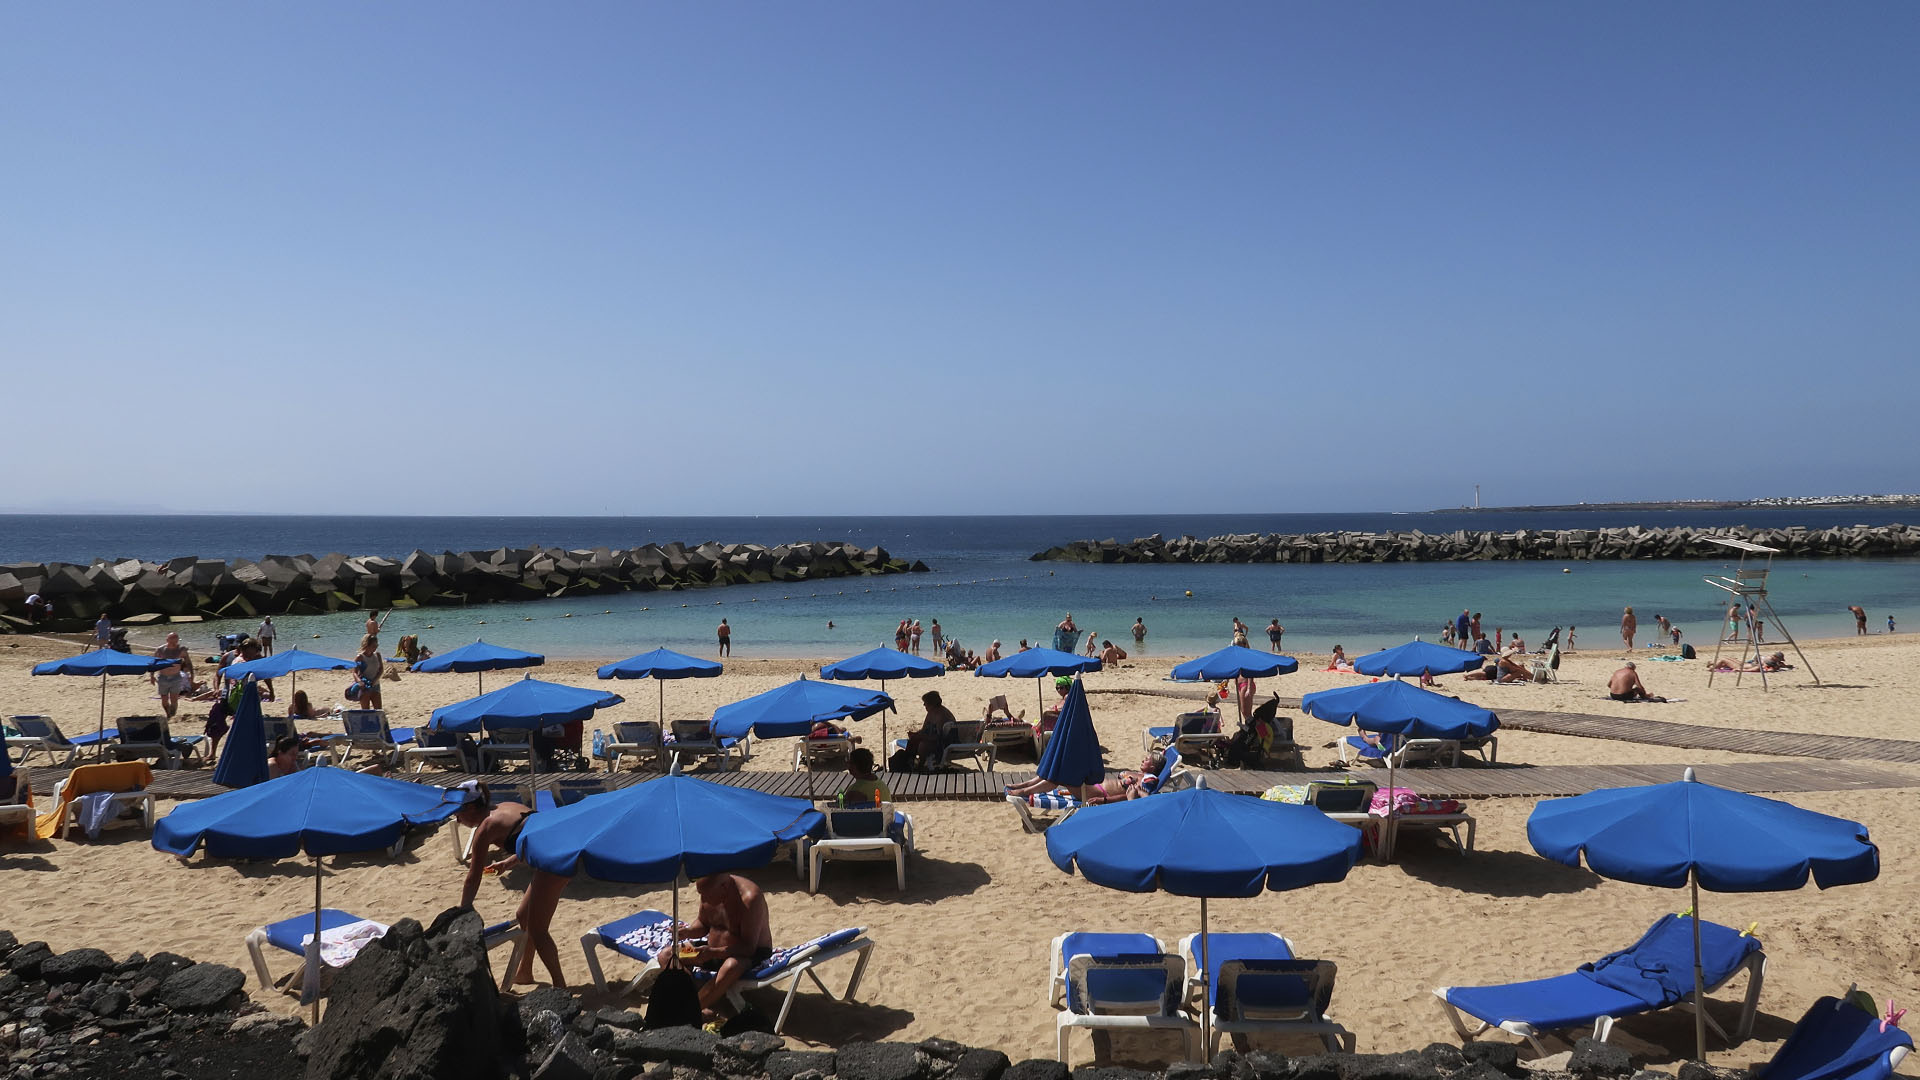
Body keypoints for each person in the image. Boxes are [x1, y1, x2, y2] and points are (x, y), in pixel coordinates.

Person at [453, 785, 553, 981]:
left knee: (536, 927)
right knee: (524, 916)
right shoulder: (506, 806)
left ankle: (558, 984)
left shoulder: (486, 827)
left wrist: (464, 909)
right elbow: (534, 836)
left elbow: (473, 877)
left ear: (471, 809)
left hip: (554, 860)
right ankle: (525, 971)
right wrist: (508, 863)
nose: (457, 819)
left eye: (457, 814)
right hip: (553, 848)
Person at [673, 873, 773, 1018]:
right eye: (700, 894)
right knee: (668, 955)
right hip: (710, 951)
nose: (703, 899)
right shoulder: (710, 891)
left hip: (747, 955)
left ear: (724, 887)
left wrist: (713, 952)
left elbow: (748, 948)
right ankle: (694, 1000)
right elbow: (703, 924)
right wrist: (688, 932)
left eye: (706, 895)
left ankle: (690, 1011)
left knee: (731, 966)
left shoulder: (749, 899)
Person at [903, 690, 957, 770]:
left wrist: (923, 737)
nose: (924, 704)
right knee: (913, 740)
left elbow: (939, 737)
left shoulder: (942, 715)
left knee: (922, 745)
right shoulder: (931, 712)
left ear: (932, 704)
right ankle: (908, 765)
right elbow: (924, 729)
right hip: (935, 740)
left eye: (926, 703)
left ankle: (920, 766)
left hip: (944, 744)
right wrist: (916, 734)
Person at [152, 632, 193, 720]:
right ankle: (168, 713)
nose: (174, 643)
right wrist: (151, 675)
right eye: (172, 641)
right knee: (164, 700)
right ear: (167, 640)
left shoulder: (181, 650)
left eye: (176, 641)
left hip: (176, 677)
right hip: (163, 677)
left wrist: (192, 674)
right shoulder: (160, 650)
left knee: (174, 699)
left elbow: (188, 662)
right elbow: (153, 663)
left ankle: (172, 716)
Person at [354, 634, 384, 711]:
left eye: (377, 645)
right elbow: (355, 673)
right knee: (365, 711)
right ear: (367, 645)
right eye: (373, 645)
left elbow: (381, 669)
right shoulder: (360, 657)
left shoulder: (377, 655)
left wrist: (375, 680)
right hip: (365, 686)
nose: (376, 647)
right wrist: (360, 682)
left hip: (375, 685)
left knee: (378, 710)